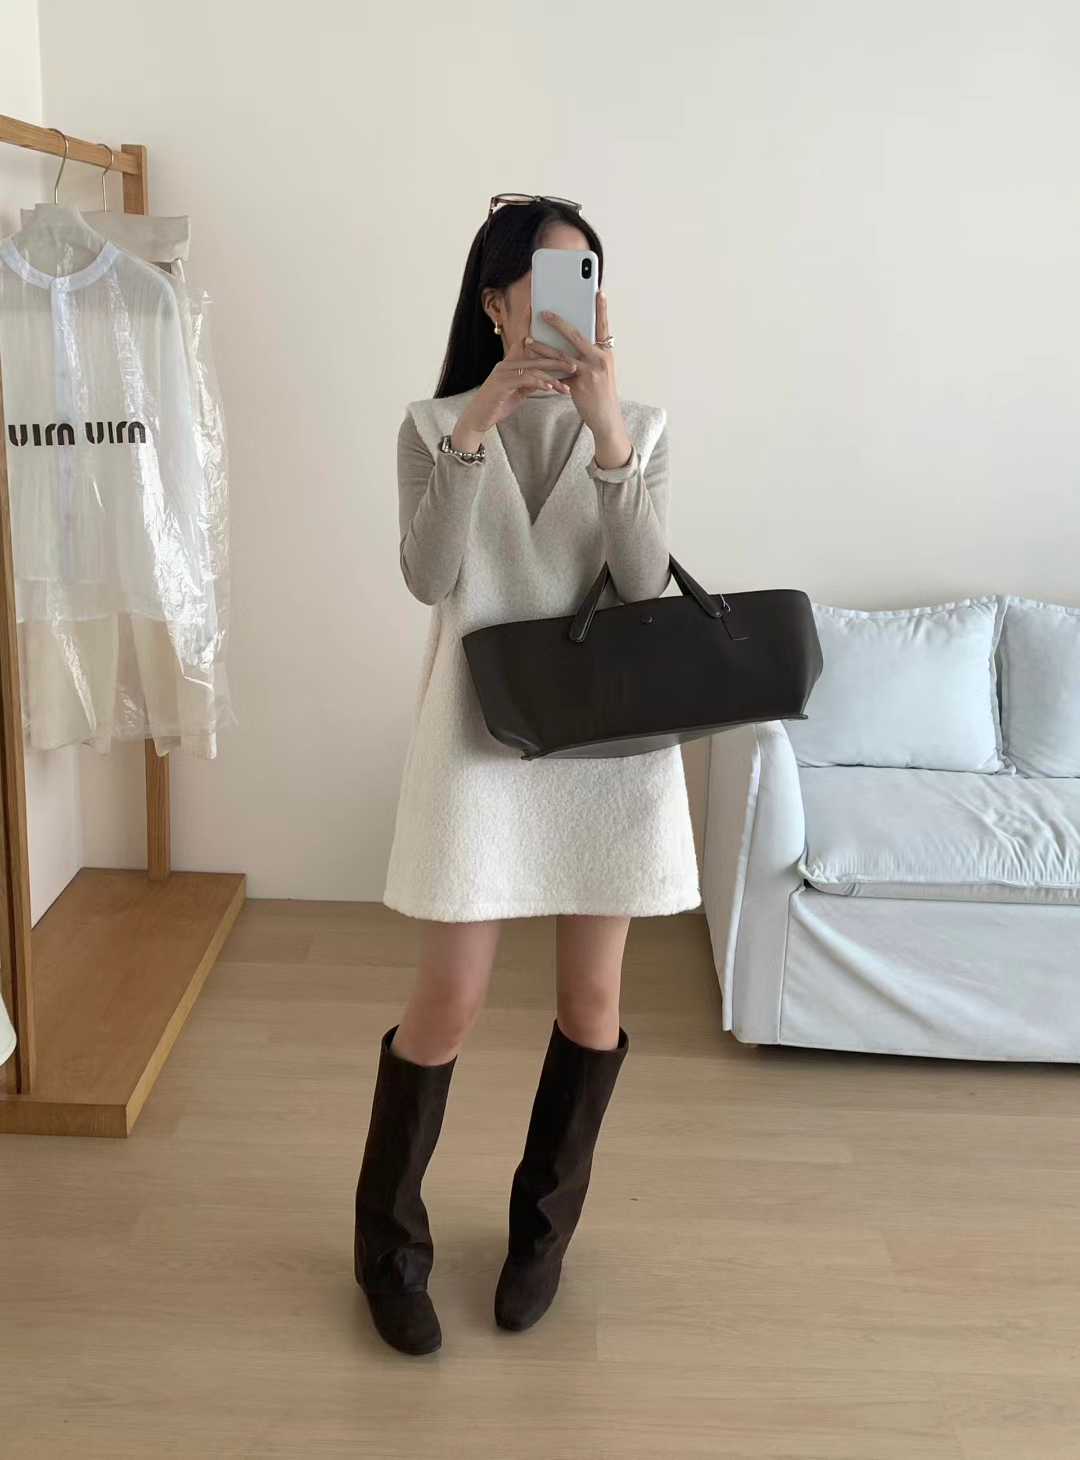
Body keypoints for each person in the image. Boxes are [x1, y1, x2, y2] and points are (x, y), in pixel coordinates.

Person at [355, 195, 701, 1356]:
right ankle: (387, 1250)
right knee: (445, 1003)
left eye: (586, 280)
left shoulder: (639, 426)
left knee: (592, 1005)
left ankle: (540, 1238)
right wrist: (476, 427)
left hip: (604, 749)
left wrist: (607, 437)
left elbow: (644, 587)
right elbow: (430, 577)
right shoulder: (433, 424)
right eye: (547, 282)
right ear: (497, 301)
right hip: (477, 741)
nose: (571, 305)